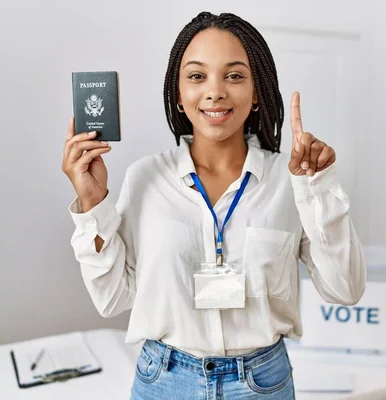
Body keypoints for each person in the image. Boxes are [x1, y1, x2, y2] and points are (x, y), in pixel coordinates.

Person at [62, 11, 366, 400]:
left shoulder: (291, 182)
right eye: (196, 75)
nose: (215, 91)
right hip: (164, 381)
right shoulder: (145, 179)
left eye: (235, 75)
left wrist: (317, 188)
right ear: (178, 93)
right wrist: (92, 202)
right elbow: (112, 300)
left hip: (262, 384)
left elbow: (346, 290)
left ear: (257, 92)